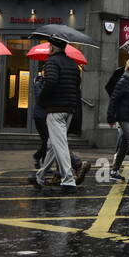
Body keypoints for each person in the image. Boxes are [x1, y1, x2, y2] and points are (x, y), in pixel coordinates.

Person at [33, 39, 87, 192]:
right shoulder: (73, 64)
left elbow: (51, 82)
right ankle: (40, 176)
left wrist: (42, 98)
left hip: (55, 109)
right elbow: (77, 86)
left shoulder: (51, 62)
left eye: (50, 46)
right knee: (52, 144)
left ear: (53, 47)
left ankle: (68, 181)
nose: (48, 48)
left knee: (60, 144)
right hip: (70, 109)